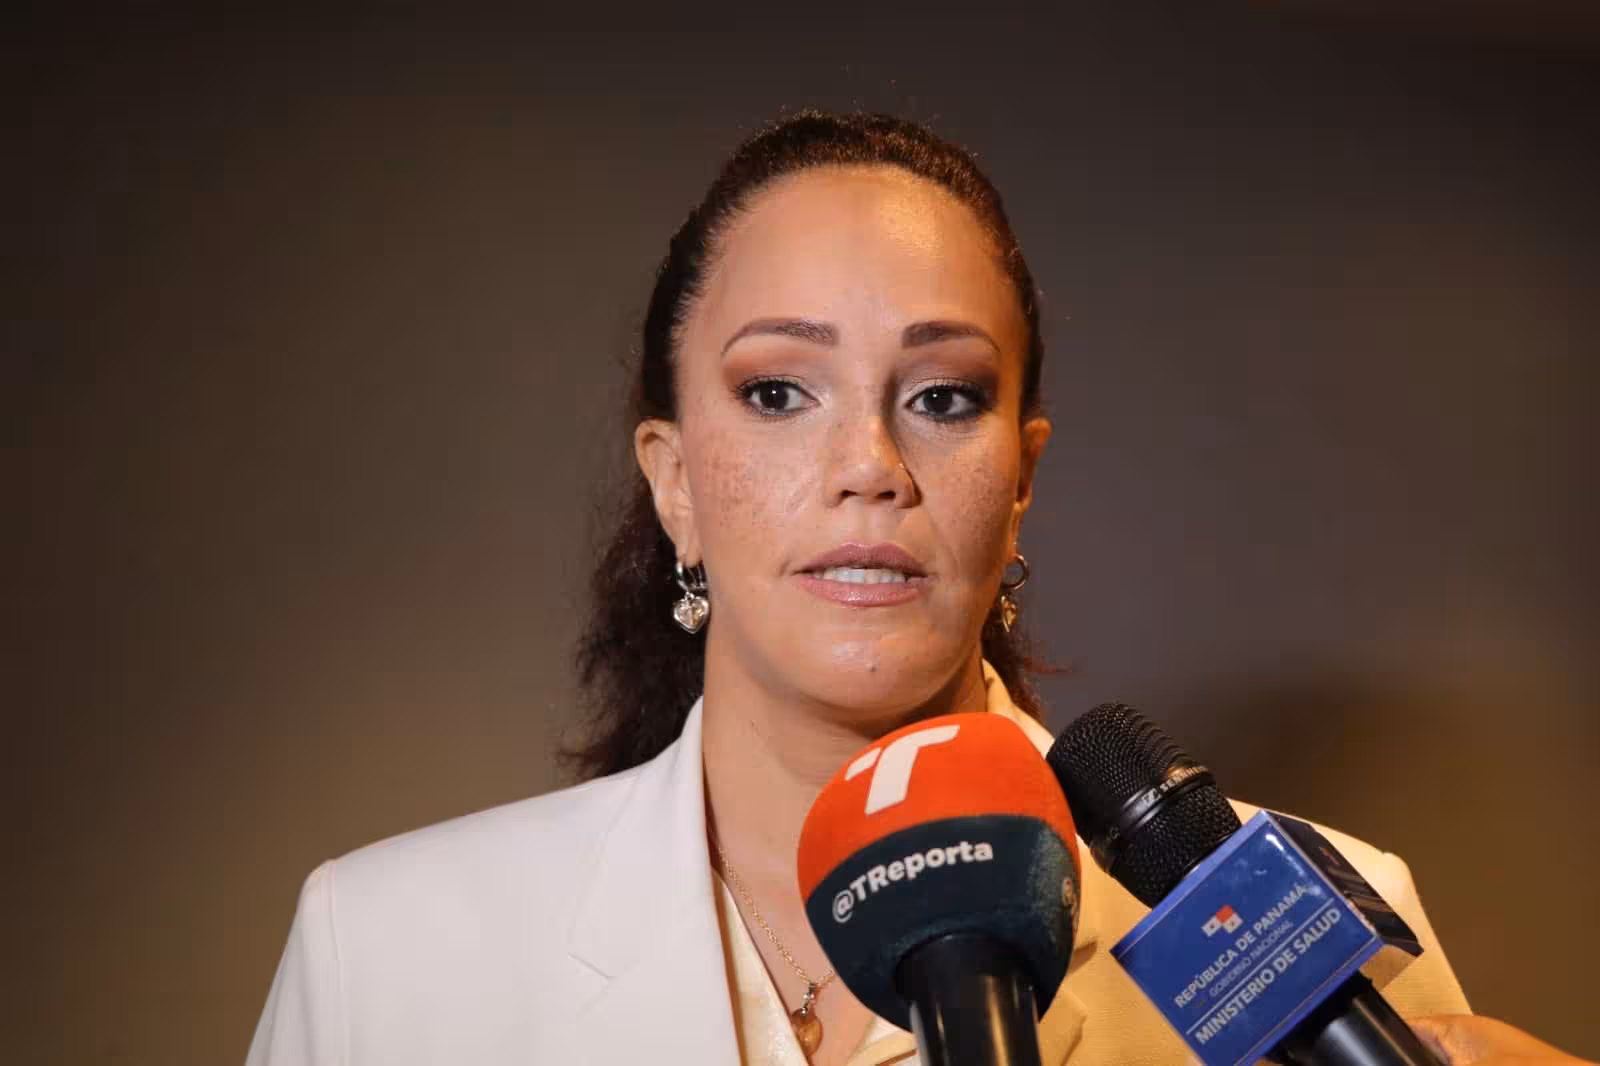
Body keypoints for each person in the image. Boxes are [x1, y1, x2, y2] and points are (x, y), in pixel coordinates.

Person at [246, 111, 1482, 1065]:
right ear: (672, 479)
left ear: (1021, 478)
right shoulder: (385, 951)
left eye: (942, 396)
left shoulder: (1315, 936)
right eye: (778, 391)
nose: (869, 465)